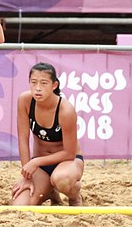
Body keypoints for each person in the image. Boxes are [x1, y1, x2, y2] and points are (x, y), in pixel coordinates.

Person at [11, 62, 84, 206]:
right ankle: (50, 191)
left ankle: (74, 195)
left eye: (44, 83)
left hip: (68, 161)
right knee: (19, 206)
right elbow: (23, 139)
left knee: (61, 180)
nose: (38, 88)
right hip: (41, 164)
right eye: (33, 82)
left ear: (54, 85)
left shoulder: (66, 110)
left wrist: (36, 162)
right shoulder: (25, 100)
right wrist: (27, 175)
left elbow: (69, 153)